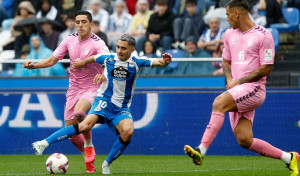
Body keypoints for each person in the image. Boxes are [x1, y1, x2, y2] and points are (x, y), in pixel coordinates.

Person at [183, 1, 299, 176]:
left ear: (237, 13)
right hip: (237, 91)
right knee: (244, 140)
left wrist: (238, 82)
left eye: (228, 15)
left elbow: (266, 68)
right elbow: (226, 60)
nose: (227, 19)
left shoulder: (264, 35)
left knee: (219, 103)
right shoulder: (229, 34)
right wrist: (230, 79)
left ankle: (201, 150)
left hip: (254, 89)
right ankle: (290, 158)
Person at [31, 34, 172, 174]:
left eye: (123, 48)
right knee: (85, 125)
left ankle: (106, 164)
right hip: (104, 101)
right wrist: (83, 63)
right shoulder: (109, 58)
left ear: (132, 49)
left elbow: (157, 62)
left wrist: (165, 61)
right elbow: (94, 58)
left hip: (121, 108)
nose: (119, 51)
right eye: (117, 47)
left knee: (128, 132)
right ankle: (44, 143)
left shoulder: (137, 61)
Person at [23, 11, 108, 173]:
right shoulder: (69, 39)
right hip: (74, 88)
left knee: (79, 113)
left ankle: (89, 145)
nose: (80, 25)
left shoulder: (98, 43)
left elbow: (108, 60)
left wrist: (103, 73)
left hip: (91, 87)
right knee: (72, 134)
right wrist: (34, 65)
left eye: (84, 22)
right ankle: (87, 157)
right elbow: (52, 60)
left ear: (91, 24)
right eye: (78, 22)